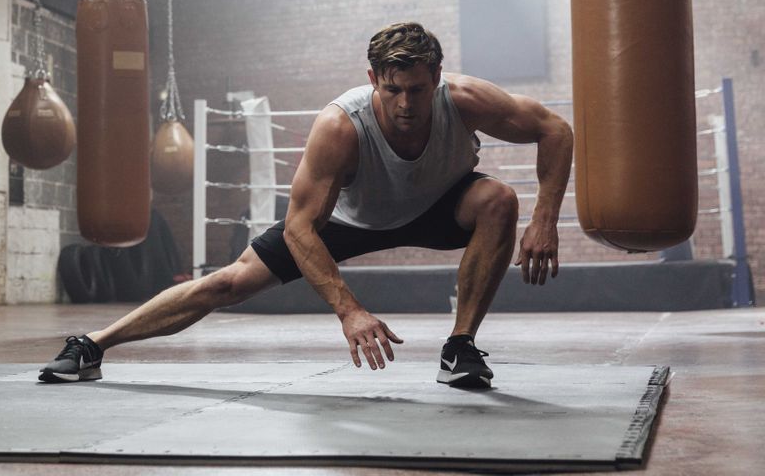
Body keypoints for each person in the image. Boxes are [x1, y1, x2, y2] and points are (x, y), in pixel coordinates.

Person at [40, 22, 572, 389]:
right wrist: (349, 310)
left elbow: (555, 130)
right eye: (393, 90)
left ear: (436, 78)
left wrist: (545, 218)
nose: (406, 104)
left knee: (499, 198)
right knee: (227, 283)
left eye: (417, 89)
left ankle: (460, 347)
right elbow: (299, 228)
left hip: (440, 205)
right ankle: (93, 346)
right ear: (372, 82)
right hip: (347, 219)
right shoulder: (341, 125)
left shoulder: (467, 100)